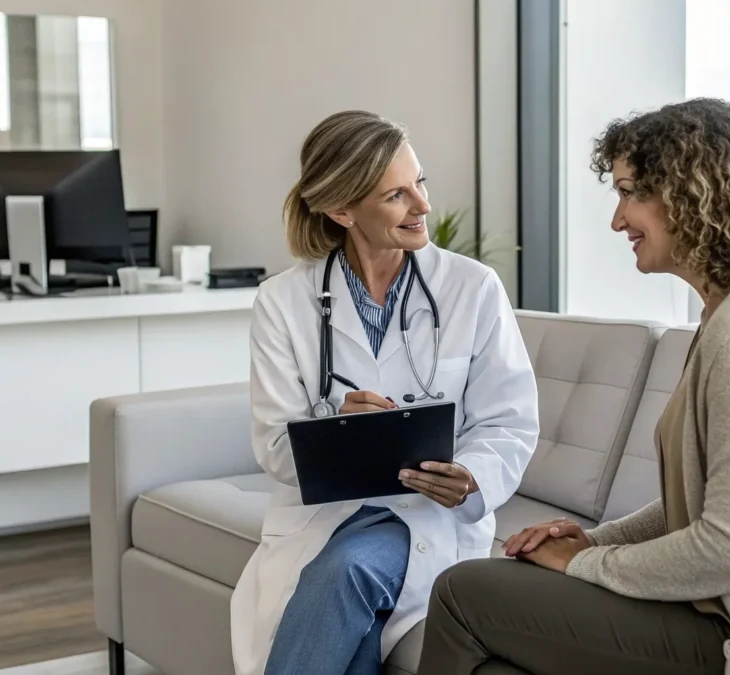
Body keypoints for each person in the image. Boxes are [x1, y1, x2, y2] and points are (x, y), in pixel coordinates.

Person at [416, 98, 730, 675]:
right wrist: (592, 540)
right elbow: (701, 506)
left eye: (629, 193)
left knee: (464, 593)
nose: (617, 221)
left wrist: (584, 565)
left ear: (696, 192)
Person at [229, 110, 539, 675]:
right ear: (341, 210)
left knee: (347, 571)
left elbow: (509, 421)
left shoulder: (472, 288)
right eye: (396, 195)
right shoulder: (282, 302)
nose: (423, 206)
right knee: (350, 605)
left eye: (419, 182)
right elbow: (275, 447)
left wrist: (470, 477)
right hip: (327, 513)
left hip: (428, 513)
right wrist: (334, 430)